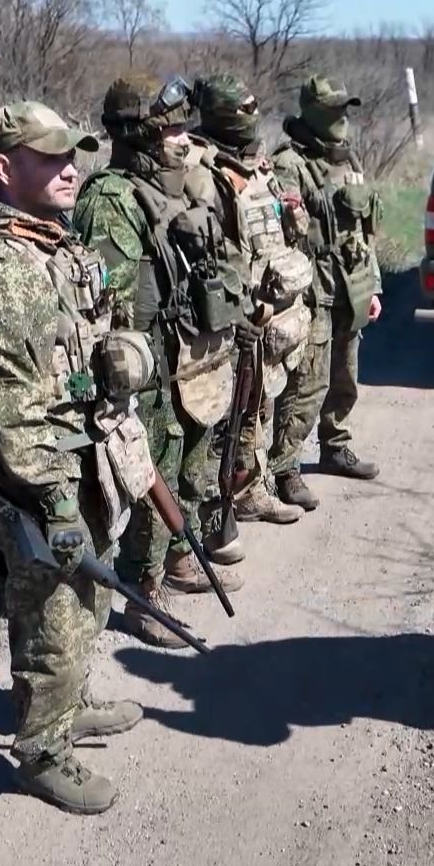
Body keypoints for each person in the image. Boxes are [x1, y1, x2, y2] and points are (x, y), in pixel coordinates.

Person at [0, 101, 158, 814]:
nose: (69, 170)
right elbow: (14, 400)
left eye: (72, 157)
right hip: (28, 467)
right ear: (4, 168)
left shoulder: (46, 240)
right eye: (51, 159)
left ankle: (69, 702)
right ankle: (41, 752)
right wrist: (52, 499)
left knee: (91, 590)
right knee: (53, 600)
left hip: (78, 446)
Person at [75, 73, 246, 650]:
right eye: (171, 129)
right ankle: (141, 592)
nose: (182, 140)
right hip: (136, 371)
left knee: (182, 455)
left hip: (174, 354)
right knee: (150, 471)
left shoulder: (163, 189)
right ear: (142, 135)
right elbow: (110, 311)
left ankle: (177, 555)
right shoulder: (110, 202)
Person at [187, 72, 311, 526]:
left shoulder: (256, 165)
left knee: (260, 401)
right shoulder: (200, 168)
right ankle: (213, 507)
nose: (251, 119)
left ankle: (250, 488)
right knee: (226, 412)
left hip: (268, 307)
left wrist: (292, 212)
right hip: (231, 308)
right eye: (241, 111)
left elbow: (281, 226)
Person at [268, 74, 383, 510]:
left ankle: (335, 446)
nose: (342, 119)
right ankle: (285, 468)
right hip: (312, 292)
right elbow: (280, 236)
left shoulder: (349, 161)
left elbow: (364, 231)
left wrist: (374, 285)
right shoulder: (289, 165)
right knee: (306, 386)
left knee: (345, 378)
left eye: (344, 110)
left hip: (350, 287)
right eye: (333, 110)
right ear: (312, 114)